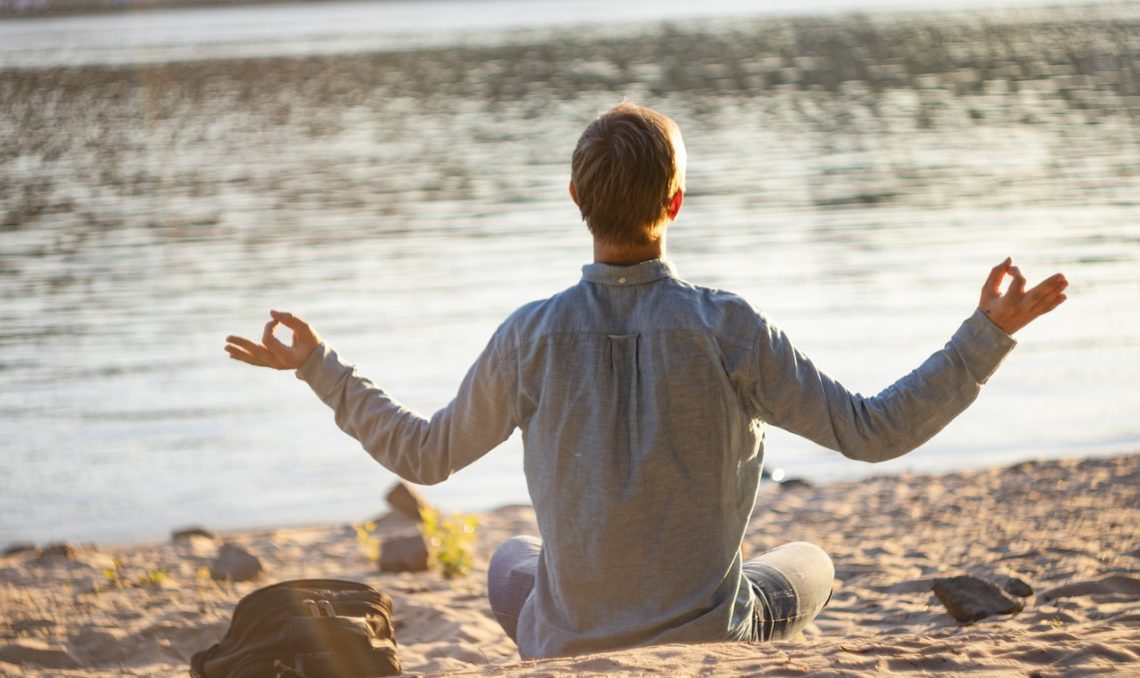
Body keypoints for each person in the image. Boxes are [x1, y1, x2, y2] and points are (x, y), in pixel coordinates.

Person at [225, 101, 1068, 659]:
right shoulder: (726, 326)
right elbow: (874, 430)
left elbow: (425, 454)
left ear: (574, 199)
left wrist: (317, 367)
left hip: (565, 641)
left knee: (510, 562)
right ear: (675, 204)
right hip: (710, 633)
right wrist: (985, 336)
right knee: (812, 561)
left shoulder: (530, 335)